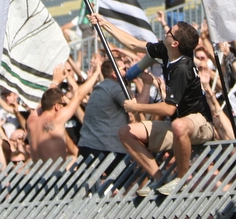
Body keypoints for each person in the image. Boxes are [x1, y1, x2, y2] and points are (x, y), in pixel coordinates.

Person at [90, 13, 213, 197]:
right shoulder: (165, 51)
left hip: (199, 124)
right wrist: (104, 23)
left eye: (170, 32)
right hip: (177, 125)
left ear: (175, 43)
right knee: (126, 132)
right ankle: (159, 179)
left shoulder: (182, 68)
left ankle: (181, 178)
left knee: (179, 125)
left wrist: (136, 107)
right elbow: (132, 44)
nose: (167, 31)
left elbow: (168, 109)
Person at [26, 59, 100, 161]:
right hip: (56, 175)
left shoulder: (31, 120)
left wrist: (55, 82)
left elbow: (45, 100)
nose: (64, 106)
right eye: (63, 104)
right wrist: (96, 73)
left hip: (37, 174)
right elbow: (78, 95)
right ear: (57, 106)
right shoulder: (56, 120)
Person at [77, 59, 129, 167]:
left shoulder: (100, 87)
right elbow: (136, 107)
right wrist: (146, 85)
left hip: (88, 145)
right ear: (114, 74)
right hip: (107, 149)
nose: (128, 70)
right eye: (124, 69)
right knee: (124, 183)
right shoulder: (115, 87)